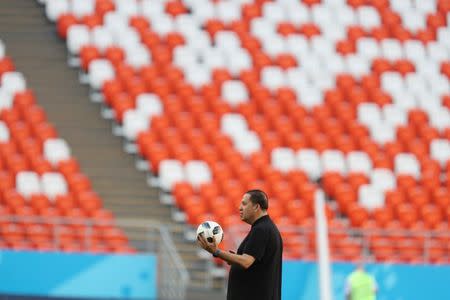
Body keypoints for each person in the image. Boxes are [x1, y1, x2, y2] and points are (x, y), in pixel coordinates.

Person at [197, 189, 283, 300]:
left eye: (244, 204)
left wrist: (216, 251)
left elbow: (246, 261)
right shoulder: (266, 228)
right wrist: (234, 258)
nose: (240, 208)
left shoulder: (261, 229)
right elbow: (250, 262)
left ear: (256, 207)